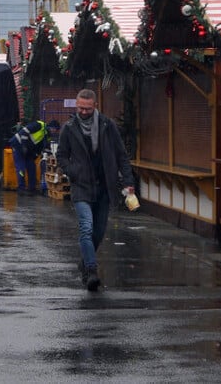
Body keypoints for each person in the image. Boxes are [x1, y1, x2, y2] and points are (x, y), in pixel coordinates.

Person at [56, 88, 135, 291]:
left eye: (87, 109)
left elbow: (121, 155)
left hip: (104, 188)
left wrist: (128, 180)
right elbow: (62, 156)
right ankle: (91, 270)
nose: (83, 112)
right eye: (80, 108)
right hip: (81, 187)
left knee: (98, 232)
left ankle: (84, 262)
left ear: (95, 106)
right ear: (76, 105)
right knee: (86, 227)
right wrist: (74, 172)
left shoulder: (108, 126)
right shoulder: (69, 128)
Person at [8, 119, 48, 192]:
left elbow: (40, 146)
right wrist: (24, 146)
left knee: (32, 167)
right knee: (21, 168)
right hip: (18, 144)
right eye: (53, 129)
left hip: (28, 149)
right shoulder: (40, 125)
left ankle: (31, 188)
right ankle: (21, 188)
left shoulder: (46, 135)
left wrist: (35, 155)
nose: (54, 131)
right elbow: (25, 132)